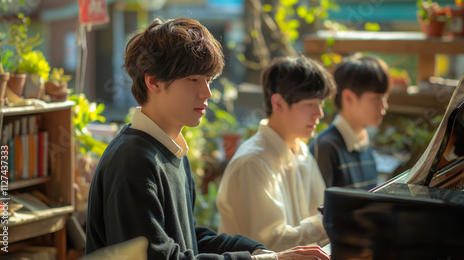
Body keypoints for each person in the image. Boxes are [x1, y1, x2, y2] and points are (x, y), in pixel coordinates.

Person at [85, 17, 331, 260]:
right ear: (153, 81)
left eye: (209, 80)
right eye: (193, 79)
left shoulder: (171, 151)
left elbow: (190, 238)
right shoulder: (133, 161)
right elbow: (160, 257)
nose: (207, 92)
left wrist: (262, 252)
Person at [216, 56, 336, 252]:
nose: (319, 114)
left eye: (320, 103)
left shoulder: (301, 151)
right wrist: (330, 219)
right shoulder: (252, 161)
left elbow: (321, 214)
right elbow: (271, 246)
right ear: (278, 103)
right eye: (310, 104)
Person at [310, 55, 391, 191]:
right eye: (376, 98)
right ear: (348, 98)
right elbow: (320, 207)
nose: (384, 106)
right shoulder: (326, 147)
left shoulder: (364, 143)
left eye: (385, 97)